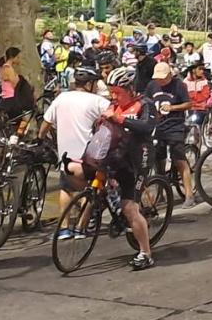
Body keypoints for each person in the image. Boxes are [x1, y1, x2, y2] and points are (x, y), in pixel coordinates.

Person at [39, 67, 110, 240]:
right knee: (90, 188)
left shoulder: (61, 98)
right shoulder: (97, 101)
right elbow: (113, 117)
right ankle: (81, 227)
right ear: (89, 84)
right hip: (89, 155)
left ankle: (64, 229)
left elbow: (46, 122)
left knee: (66, 189)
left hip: (65, 155)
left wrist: (40, 137)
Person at [103, 67, 158, 270]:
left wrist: (119, 119)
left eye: (117, 91)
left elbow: (147, 127)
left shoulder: (145, 104)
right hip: (118, 155)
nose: (113, 95)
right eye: (111, 91)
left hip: (139, 156)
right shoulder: (113, 105)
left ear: (130, 88)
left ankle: (146, 253)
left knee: (129, 206)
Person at [144, 62, 195, 208]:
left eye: (163, 78)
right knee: (158, 160)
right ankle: (161, 191)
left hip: (175, 126)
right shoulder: (152, 86)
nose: (160, 81)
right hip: (158, 127)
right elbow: (146, 101)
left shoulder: (179, 85)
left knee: (179, 160)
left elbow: (188, 104)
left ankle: (189, 194)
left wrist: (172, 107)